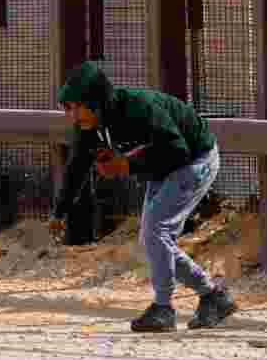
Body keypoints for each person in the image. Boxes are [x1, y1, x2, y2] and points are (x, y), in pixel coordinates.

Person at [49, 60, 237, 332]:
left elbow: (178, 150)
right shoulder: (89, 127)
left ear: (94, 101)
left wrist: (127, 165)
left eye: (74, 107)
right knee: (154, 240)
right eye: (67, 109)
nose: (72, 116)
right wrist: (59, 211)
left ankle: (163, 309)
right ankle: (213, 296)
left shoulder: (139, 108)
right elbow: (77, 167)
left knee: (155, 233)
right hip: (163, 168)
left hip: (194, 160)